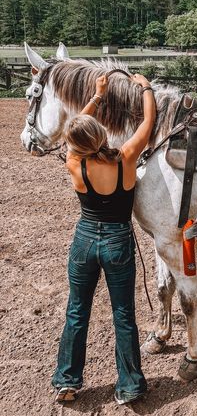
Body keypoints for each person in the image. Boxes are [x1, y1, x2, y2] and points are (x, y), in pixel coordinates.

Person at [51, 73, 156, 405]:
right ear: (101, 134)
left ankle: (67, 381)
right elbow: (149, 122)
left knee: (77, 310)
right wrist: (145, 88)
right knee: (123, 314)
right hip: (117, 241)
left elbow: (79, 128)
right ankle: (129, 386)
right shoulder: (125, 157)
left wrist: (96, 97)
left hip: (84, 240)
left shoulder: (74, 161)